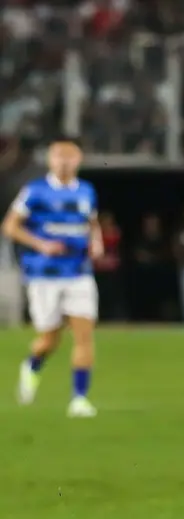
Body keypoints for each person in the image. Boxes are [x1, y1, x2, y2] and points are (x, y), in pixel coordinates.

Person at [3, 136, 102, 417]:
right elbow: (10, 226)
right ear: (50, 159)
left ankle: (79, 399)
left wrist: (96, 242)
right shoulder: (35, 191)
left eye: (70, 156)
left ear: (78, 160)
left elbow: (92, 223)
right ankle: (32, 365)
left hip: (79, 273)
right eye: (59, 156)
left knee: (84, 336)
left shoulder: (86, 191)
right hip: (44, 275)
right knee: (49, 339)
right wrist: (41, 244)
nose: (64, 162)